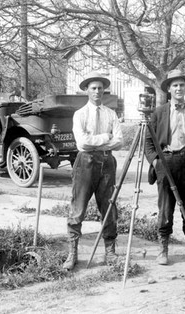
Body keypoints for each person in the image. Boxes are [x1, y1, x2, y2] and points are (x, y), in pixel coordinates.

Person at [144, 69, 185, 267]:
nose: (179, 88)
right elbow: (148, 142)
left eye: (182, 85)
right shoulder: (159, 112)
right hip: (167, 161)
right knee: (165, 208)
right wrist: (156, 162)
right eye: (175, 85)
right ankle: (163, 248)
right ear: (169, 89)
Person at [63, 72, 124, 270]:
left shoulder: (111, 114)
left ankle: (110, 252)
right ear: (87, 91)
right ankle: (72, 253)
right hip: (85, 163)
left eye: (100, 88)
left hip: (107, 163)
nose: (97, 91)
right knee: (78, 207)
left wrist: (96, 142)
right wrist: (105, 138)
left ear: (104, 90)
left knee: (109, 206)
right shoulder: (80, 114)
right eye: (93, 88)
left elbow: (120, 141)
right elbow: (82, 142)